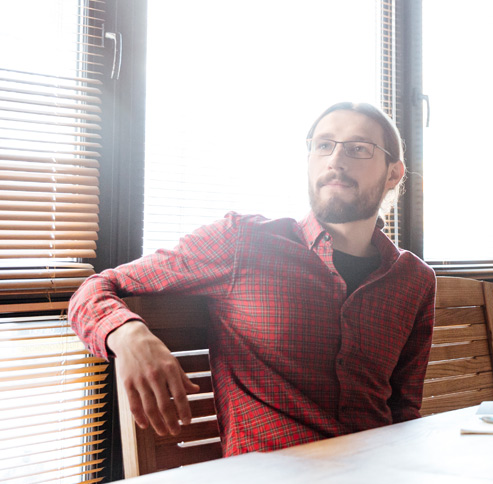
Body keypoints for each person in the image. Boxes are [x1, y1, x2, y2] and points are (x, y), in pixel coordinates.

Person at [70, 102, 436, 455]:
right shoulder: (242, 242)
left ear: (393, 173)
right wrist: (129, 335)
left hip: (381, 482)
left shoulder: (414, 280)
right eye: (323, 145)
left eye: (359, 148)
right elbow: (93, 290)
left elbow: (404, 410)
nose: (335, 160)